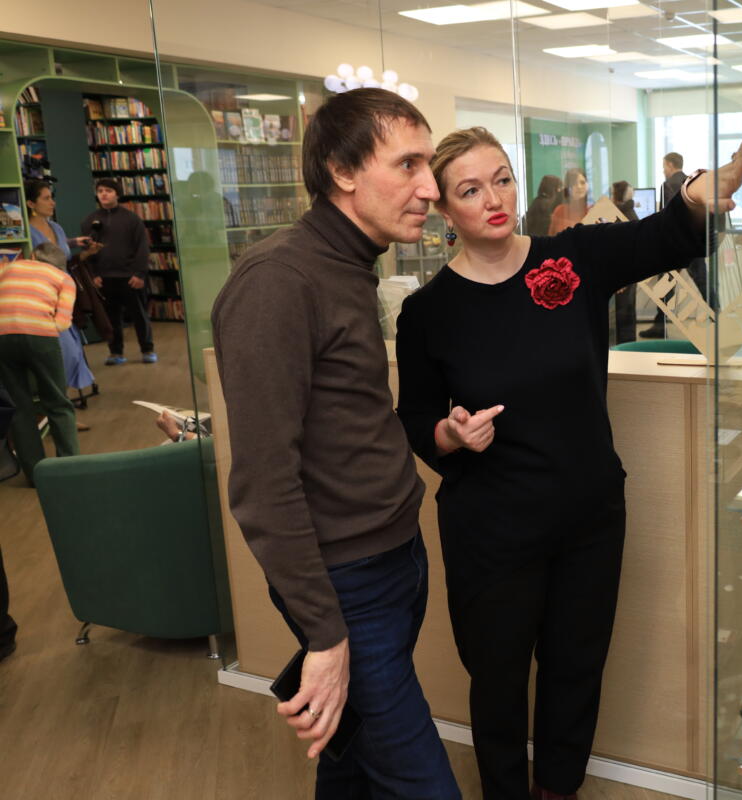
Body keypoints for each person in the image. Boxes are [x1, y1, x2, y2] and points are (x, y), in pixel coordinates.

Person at [395, 126, 742, 800]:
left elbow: (658, 238)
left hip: (589, 516)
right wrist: (451, 434)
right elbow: (415, 422)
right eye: (470, 190)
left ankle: (559, 790)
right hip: (491, 531)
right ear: (444, 209)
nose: (494, 199)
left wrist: (695, 197)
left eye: (502, 179)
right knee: (498, 682)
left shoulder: (573, 257)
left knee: (576, 669)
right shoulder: (427, 312)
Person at [210, 88, 459, 799]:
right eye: (408, 164)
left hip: (392, 556)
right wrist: (324, 634)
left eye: (428, 164)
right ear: (342, 171)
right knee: (421, 783)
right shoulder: (278, 281)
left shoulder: (348, 263)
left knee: (351, 762)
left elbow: (345, 422)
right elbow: (263, 482)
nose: (430, 187)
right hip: (347, 583)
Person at [0, 243, 80, 486]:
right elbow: (63, 323)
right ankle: (69, 471)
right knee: (58, 403)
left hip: (2, 336)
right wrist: (41, 328)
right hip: (41, 336)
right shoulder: (64, 279)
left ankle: (36, 475)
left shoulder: (9, 268)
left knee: (19, 407)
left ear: (33, 256)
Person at [25, 180, 102, 409]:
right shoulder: (26, 233)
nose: (52, 203)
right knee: (60, 352)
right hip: (42, 299)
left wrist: (87, 253)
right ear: (31, 203)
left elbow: (66, 260)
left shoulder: (57, 229)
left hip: (65, 298)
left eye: (52, 197)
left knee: (71, 352)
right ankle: (58, 409)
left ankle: (62, 408)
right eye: (46, 198)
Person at [81, 178, 156, 365]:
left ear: (117, 194)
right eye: (100, 191)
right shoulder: (90, 220)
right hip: (104, 278)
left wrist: (139, 274)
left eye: (108, 191)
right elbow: (87, 251)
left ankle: (147, 350)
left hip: (130, 277)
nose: (104, 194)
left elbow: (142, 248)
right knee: (111, 318)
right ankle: (116, 352)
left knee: (139, 316)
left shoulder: (131, 219)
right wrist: (94, 275)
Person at [640, 152, 693, 338]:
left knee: (665, 284)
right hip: (692, 240)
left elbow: (667, 216)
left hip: (673, 244)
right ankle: (717, 318)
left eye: (664, 166)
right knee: (703, 282)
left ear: (670, 165)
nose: (663, 170)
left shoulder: (667, 185)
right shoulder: (690, 181)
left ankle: (659, 325)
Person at [610, 181, 638, 343]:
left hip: (623, 273)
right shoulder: (629, 213)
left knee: (623, 311)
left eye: (612, 193)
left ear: (617, 196)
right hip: (629, 271)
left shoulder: (622, 216)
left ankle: (625, 346)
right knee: (628, 309)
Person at [547, 167, 589, 235]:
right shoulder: (560, 211)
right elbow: (551, 237)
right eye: (574, 183)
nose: (579, 186)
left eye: (582, 182)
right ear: (568, 187)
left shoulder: (592, 210)